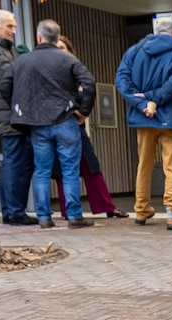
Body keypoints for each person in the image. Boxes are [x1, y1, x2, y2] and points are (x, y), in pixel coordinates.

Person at [0, 19, 96, 229]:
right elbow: (88, 82)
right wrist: (83, 111)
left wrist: (19, 107)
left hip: (37, 124)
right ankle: (74, 216)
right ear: (56, 37)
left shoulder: (23, 61)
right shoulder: (67, 60)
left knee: (41, 171)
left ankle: (44, 217)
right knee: (70, 169)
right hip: (65, 120)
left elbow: (4, 85)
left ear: (39, 37)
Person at [115, 19, 172, 231]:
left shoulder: (134, 51)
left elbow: (122, 80)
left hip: (144, 118)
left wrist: (143, 103)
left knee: (144, 164)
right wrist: (154, 98)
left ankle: (141, 209)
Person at [51, 35, 127, 220]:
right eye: (56, 47)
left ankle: (107, 206)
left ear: (70, 50)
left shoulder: (76, 70)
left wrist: (83, 112)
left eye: (63, 47)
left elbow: (88, 89)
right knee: (62, 170)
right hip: (55, 124)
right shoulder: (48, 71)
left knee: (91, 166)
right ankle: (67, 209)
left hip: (75, 125)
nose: (60, 51)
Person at [0, 10, 38, 226]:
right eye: (9, 26)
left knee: (15, 162)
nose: (13, 31)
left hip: (12, 113)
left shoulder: (1, 49)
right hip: (10, 116)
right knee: (16, 163)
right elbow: (14, 76)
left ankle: (12, 211)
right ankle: (14, 211)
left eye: (14, 26)